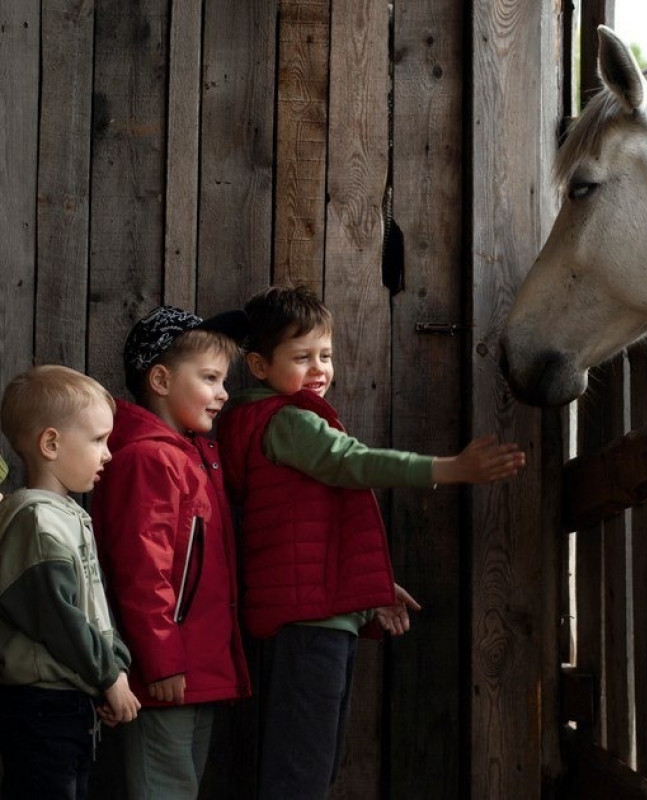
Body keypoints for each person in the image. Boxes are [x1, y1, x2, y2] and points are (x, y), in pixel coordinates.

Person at [217, 284, 526, 799]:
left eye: (325, 355)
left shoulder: (283, 418)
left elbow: (311, 533)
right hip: (310, 622)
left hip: (314, 614)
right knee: (302, 772)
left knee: (312, 763)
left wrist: (372, 587)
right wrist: (449, 468)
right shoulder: (288, 421)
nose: (319, 368)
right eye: (301, 357)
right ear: (259, 366)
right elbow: (353, 462)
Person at [90, 306, 252, 799]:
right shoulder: (149, 458)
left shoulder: (190, 456)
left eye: (224, 380)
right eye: (210, 378)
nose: (224, 393)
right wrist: (161, 662)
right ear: (160, 379)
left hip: (195, 668)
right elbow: (142, 571)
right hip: (165, 673)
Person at [0, 365, 141, 800]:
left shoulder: (68, 515)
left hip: (70, 700)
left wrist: (112, 670)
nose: (108, 454)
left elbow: (94, 608)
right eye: (98, 440)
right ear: (51, 444)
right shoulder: (36, 520)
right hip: (42, 706)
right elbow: (60, 619)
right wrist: (109, 677)